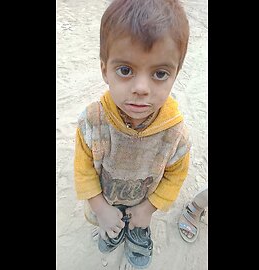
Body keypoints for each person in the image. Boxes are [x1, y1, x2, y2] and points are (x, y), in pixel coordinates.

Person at [74, 0, 190, 268]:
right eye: (125, 70)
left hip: (143, 199)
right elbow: (83, 169)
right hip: (105, 197)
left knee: (137, 219)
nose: (141, 88)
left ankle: (138, 231)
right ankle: (110, 228)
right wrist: (101, 209)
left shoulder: (175, 134)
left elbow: (176, 174)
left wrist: (148, 209)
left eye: (160, 73)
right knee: (108, 223)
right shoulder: (93, 122)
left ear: (175, 74)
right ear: (105, 70)